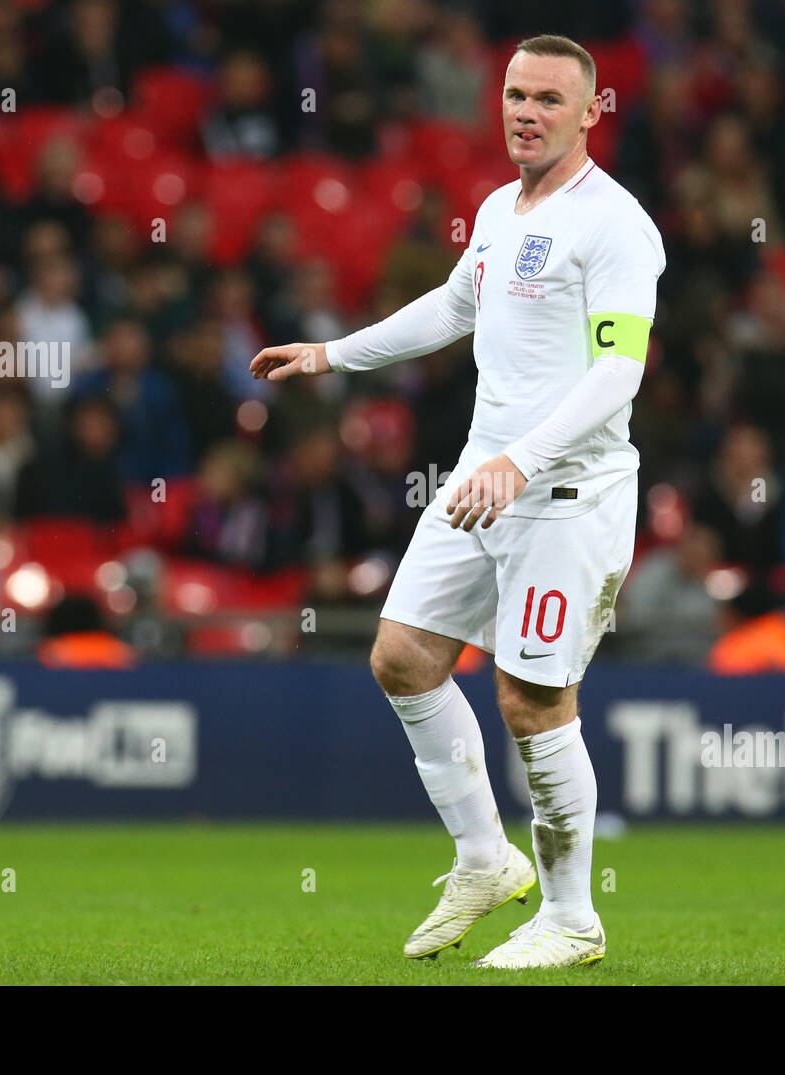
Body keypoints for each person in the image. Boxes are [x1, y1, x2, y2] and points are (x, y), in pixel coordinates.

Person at [251, 35, 665, 969]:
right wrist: (332, 354)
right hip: (486, 478)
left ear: (592, 113)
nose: (526, 112)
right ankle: (485, 855)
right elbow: (452, 306)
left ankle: (570, 916)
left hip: (562, 490)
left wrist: (520, 459)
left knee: (531, 702)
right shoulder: (498, 208)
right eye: (516, 95)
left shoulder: (616, 225)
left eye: (550, 100)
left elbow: (618, 370)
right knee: (402, 657)